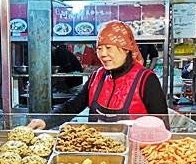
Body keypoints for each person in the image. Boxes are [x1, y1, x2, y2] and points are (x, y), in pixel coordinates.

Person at [29, 20, 167, 128]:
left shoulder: (146, 79)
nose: (103, 54)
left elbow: (162, 124)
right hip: (99, 155)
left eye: (108, 48)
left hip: (136, 153)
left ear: (125, 49)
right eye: (99, 48)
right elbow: (72, 106)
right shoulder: (97, 76)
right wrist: (45, 120)